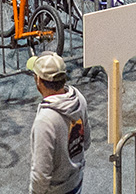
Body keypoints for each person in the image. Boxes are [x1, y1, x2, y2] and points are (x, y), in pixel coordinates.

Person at [27, 52, 88, 194]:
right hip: (76, 181)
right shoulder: (78, 98)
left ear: (39, 80)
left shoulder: (45, 121)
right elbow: (87, 141)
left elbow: (41, 174)